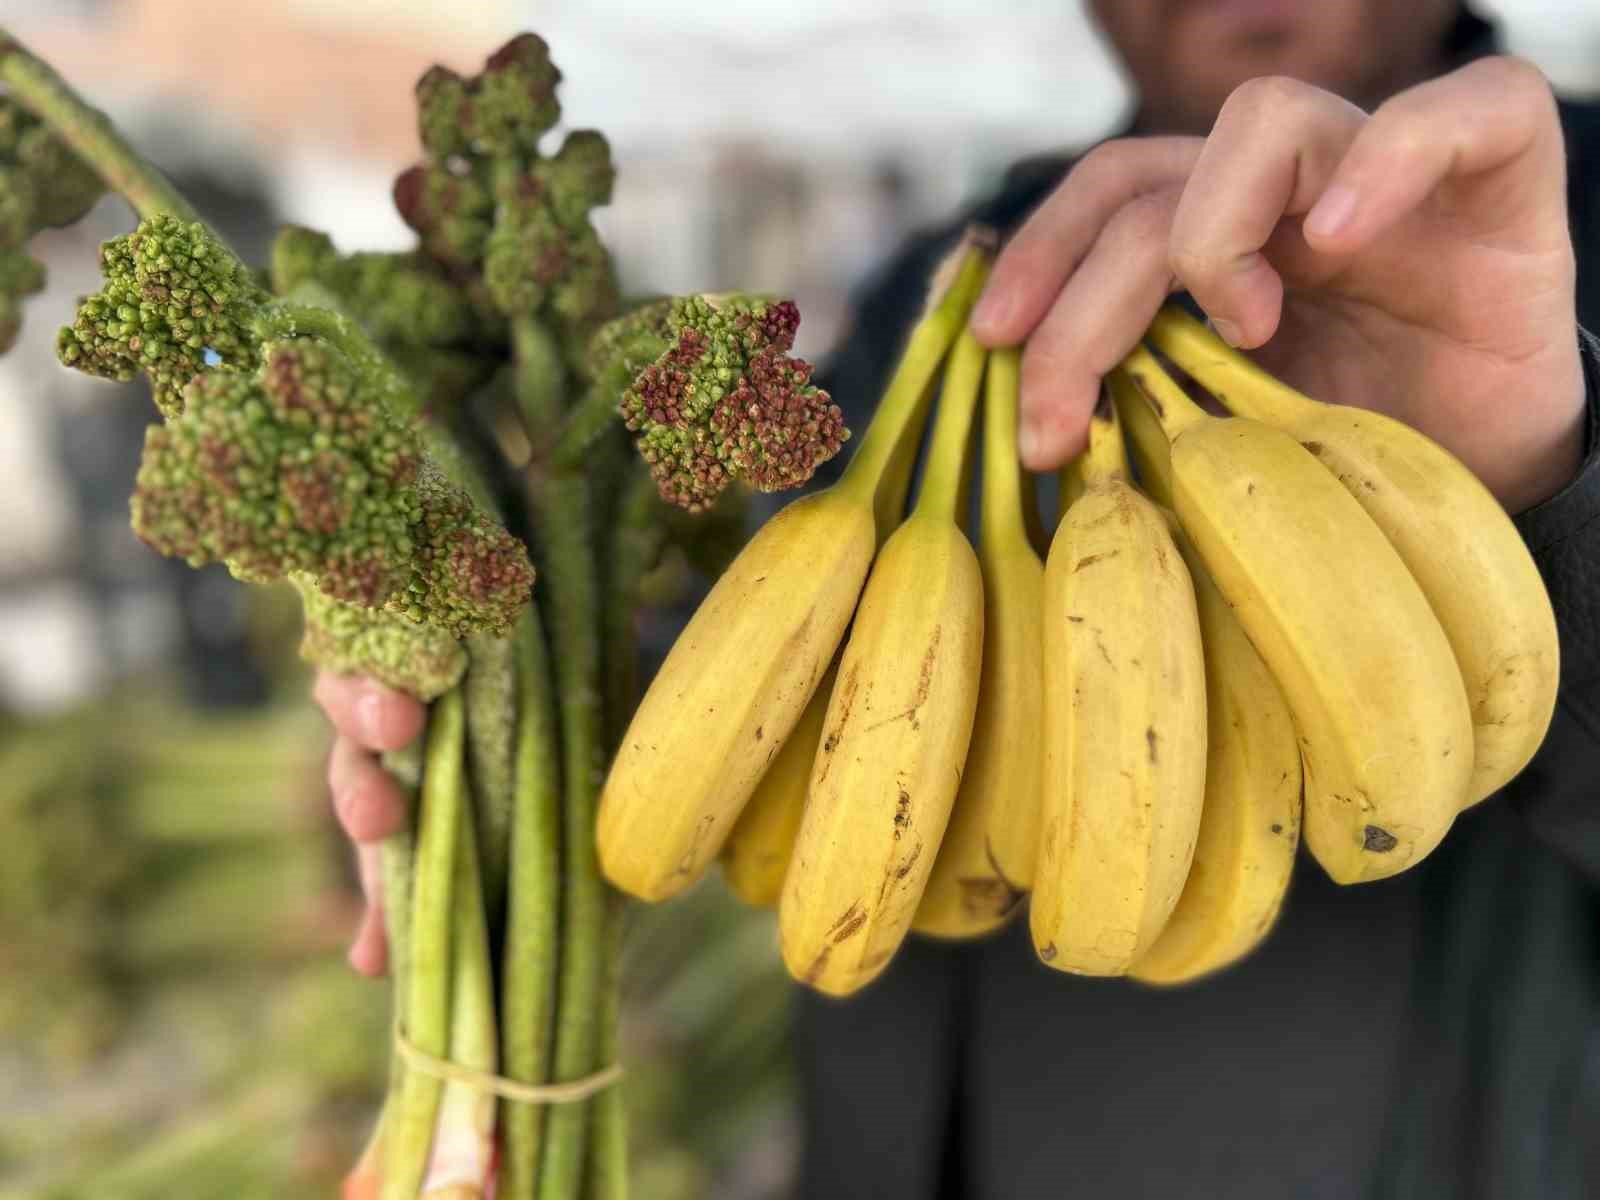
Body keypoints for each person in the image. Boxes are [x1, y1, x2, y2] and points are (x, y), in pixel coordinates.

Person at [316, 3, 1600, 1196]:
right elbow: (761, 707)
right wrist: (487, 721)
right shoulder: (951, 275)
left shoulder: (1547, 231)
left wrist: (1549, 483)